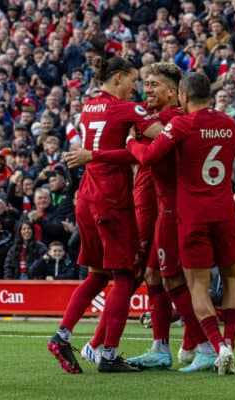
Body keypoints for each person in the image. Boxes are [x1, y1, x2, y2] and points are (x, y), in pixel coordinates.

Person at [47, 55, 162, 374]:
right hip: (111, 199)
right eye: (133, 79)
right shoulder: (128, 108)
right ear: (118, 78)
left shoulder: (89, 107)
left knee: (97, 274)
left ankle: (62, 334)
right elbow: (161, 135)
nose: (136, 87)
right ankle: (108, 353)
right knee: (124, 276)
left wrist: (94, 154)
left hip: (86, 196)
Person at [127, 72, 235, 375]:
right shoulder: (230, 124)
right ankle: (227, 343)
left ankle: (215, 348)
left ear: (183, 96)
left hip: (193, 214)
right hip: (225, 210)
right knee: (232, 280)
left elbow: (150, 157)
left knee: (197, 286)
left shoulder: (181, 124)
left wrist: (129, 143)